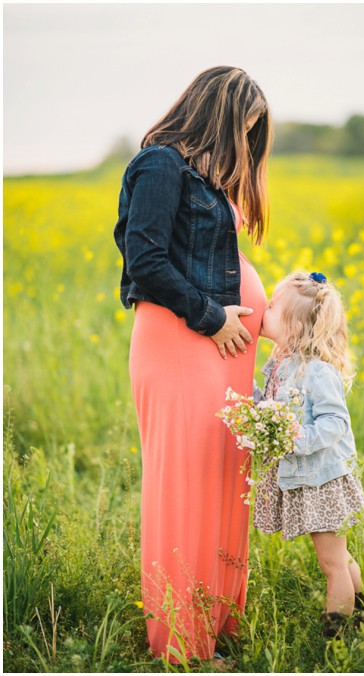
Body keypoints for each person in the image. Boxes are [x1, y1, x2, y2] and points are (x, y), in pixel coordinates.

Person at [113, 66, 273, 663]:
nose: (245, 140)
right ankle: (182, 639)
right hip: (183, 342)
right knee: (184, 484)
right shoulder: (160, 165)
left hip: (221, 347)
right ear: (216, 113)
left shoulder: (202, 175)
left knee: (222, 477)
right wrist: (213, 318)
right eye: (244, 126)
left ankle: (219, 622)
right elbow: (146, 260)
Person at [252, 271, 364, 639]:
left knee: (332, 562)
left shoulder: (317, 373)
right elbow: (270, 408)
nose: (263, 309)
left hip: (323, 481)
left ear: (295, 327)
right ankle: (362, 612)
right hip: (308, 479)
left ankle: (337, 636)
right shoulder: (278, 367)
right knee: (339, 557)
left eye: (271, 307)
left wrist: (293, 437)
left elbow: (335, 423)